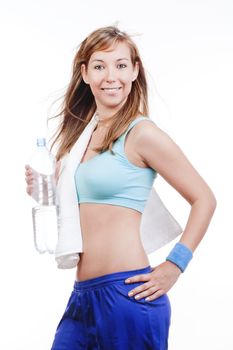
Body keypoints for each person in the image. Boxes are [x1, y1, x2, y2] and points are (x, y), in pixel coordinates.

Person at [25, 25, 217, 350]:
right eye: (100, 66)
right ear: (85, 73)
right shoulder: (77, 140)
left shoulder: (141, 134)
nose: (111, 76)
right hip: (82, 297)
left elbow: (204, 199)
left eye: (121, 65)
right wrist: (45, 189)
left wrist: (175, 265)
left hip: (127, 293)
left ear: (134, 71)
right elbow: (81, 205)